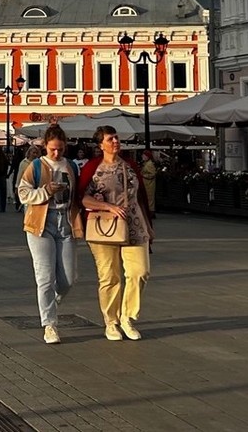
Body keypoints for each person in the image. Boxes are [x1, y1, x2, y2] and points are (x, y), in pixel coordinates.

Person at [80, 125, 153, 341]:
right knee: (109, 277)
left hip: (134, 225)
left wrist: (148, 225)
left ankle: (127, 317)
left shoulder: (130, 165)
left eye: (117, 138)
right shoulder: (93, 168)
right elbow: (82, 198)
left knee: (140, 271)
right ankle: (111, 322)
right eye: (110, 139)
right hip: (105, 228)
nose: (115, 142)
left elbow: (140, 197)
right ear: (100, 144)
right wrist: (107, 207)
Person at [17, 124, 82, 344]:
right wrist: (46, 191)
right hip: (40, 224)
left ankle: (51, 302)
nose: (57, 153)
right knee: (45, 277)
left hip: (66, 223)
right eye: (53, 149)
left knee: (68, 279)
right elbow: (23, 193)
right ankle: (49, 324)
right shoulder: (36, 166)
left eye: (60, 149)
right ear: (45, 146)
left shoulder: (71, 166)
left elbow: (79, 194)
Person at [140, 150, 158, 217]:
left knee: (149, 198)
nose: (142, 156)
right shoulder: (146, 163)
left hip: (149, 184)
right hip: (147, 184)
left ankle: (151, 212)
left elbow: (152, 174)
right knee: (148, 198)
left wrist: (143, 176)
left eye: (144, 155)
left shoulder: (149, 164)